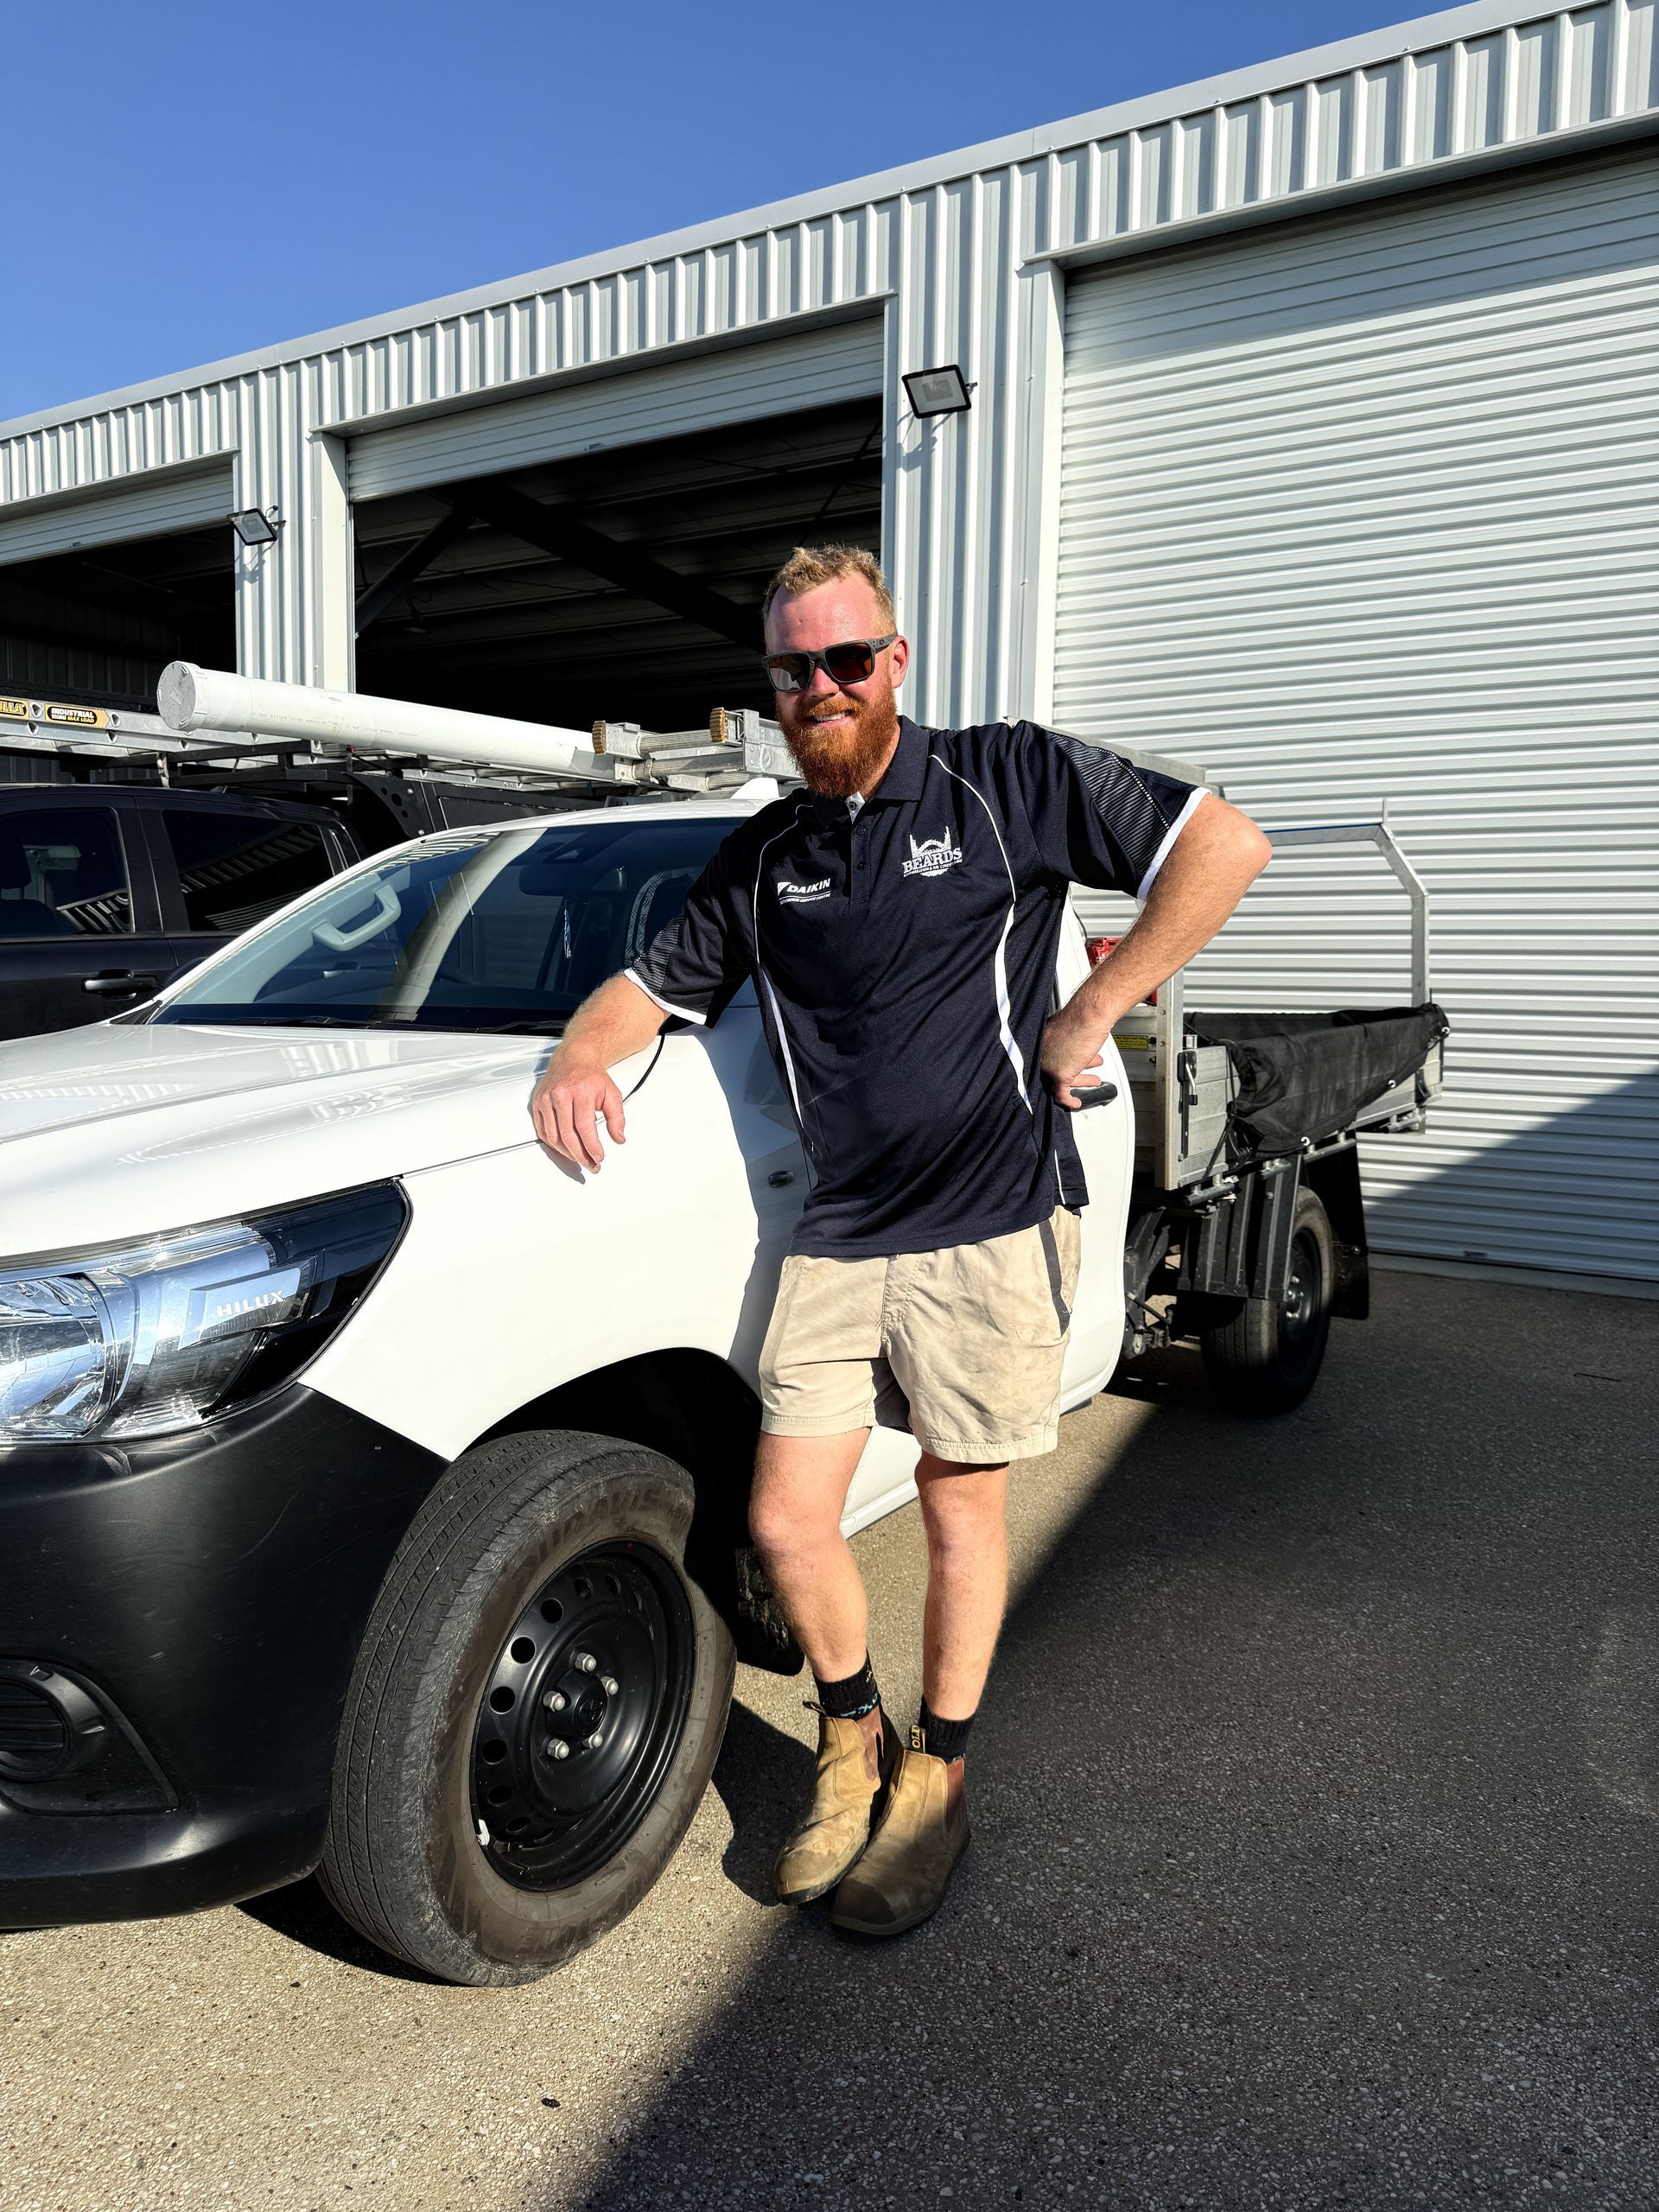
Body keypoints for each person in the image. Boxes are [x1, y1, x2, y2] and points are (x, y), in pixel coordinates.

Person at [530, 543, 1270, 1936]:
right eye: (792, 669)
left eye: (844, 660)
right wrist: (577, 1057)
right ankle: (849, 1735)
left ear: (895, 662)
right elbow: (646, 985)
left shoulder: (1007, 779)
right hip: (841, 1231)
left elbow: (1224, 848)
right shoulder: (766, 852)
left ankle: (938, 1775)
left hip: (985, 1225)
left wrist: (1095, 1007)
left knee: (954, 1503)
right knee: (786, 1518)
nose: (819, 686)